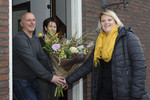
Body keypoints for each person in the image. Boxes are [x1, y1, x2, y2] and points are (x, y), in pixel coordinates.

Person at [65, 10, 149, 100]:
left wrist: (136, 94)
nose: (106, 23)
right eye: (103, 21)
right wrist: (68, 80)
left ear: (116, 22)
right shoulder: (100, 42)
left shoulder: (128, 37)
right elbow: (87, 66)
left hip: (125, 94)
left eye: (109, 20)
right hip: (104, 93)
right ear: (100, 24)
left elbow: (139, 67)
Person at [13, 12, 66, 100]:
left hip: (33, 79)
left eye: (33, 20)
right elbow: (32, 62)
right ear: (21, 24)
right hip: (21, 81)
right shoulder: (19, 39)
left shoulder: (35, 39)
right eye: (28, 20)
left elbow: (43, 59)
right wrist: (51, 77)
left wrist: (55, 73)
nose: (32, 22)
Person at [38, 17, 60, 100]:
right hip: (42, 77)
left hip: (56, 77)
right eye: (50, 26)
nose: (53, 29)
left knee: (55, 97)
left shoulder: (60, 43)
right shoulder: (39, 41)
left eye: (54, 27)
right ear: (45, 28)